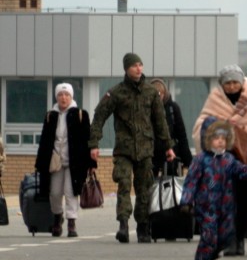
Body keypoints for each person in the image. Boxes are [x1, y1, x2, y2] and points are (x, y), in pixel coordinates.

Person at [88, 53, 176, 244]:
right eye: (134, 65)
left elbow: (160, 121)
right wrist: (94, 143)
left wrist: (168, 146)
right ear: (127, 68)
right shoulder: (116, 93)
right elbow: (99, 116)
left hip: (145, 149)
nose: (138, 68)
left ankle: (143, 227)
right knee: (124, 185)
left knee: (144, 188)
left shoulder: (151, 92)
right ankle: (123, 225)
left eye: (140, 65)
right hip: (124, 150)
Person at [181, 118, 247, 260]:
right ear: (208, 140)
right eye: (217, 138)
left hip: (226, 208)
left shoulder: (229, 160)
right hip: (206, 207)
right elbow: (191, 181)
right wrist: (186, 201)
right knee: (209, 238)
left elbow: (243, 171)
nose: (220, 141)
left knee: (226, 237)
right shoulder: (200, 160)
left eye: (224, 138)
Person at [192, 65, 247, 258]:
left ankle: (240, 238)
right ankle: (229, 239)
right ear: (222, 85)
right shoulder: (215, 101)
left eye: (235, 82)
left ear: (242, 82)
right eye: (228, 83)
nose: (232, 86)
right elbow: (202, 125)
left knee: (246, 202)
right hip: (223, 161)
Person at [35, 83, 92, 238]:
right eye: (60, 95)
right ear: (56, 97)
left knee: (70, 191)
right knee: (54, 193)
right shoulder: (50, 115)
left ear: (71, 97)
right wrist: (40, 163)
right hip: (56, 162)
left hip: (75, 162)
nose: (63, 98)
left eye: (66, 95)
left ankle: (71, 223)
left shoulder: (80, 114)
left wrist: (91, 163)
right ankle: (57, 217)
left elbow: (89, 139)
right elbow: (44, 141)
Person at [151, 79, 193, 177]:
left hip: (171, 155)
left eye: (159, 95)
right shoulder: (145, 109)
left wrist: (188, 161)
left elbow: (182, 135)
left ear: (164, 94)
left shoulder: (172, 109)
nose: (157, 99)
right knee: (149, 185)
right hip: (151, 155)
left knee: (171, 185)